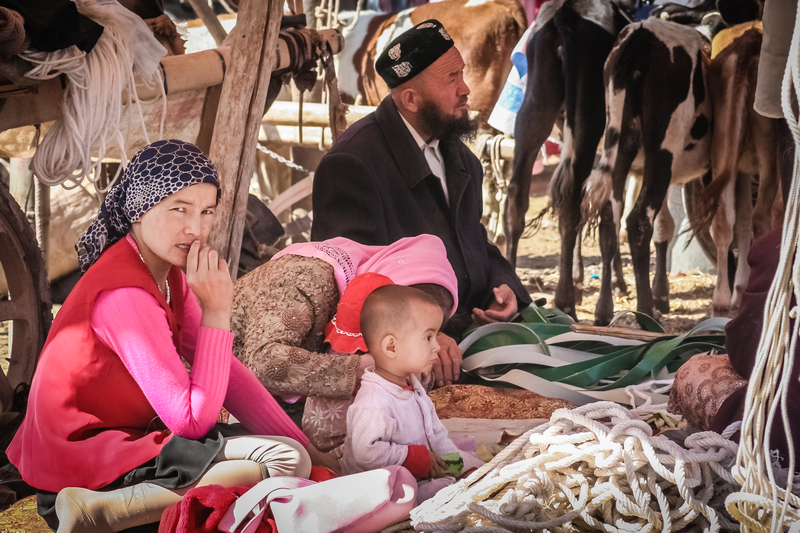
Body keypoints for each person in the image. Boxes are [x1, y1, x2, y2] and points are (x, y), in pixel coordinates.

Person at [7, 140, 327, 533]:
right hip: (82, 464)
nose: (196, 228)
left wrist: (312, 447)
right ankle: (99, 512)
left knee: (294, 455)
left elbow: (228, 375)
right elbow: (190, 421)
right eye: (179, 208)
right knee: (284, 462)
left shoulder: (167, 272)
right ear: (139, 210)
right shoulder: (125, 294)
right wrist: (217, 311)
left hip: (125, 443)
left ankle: (115, 508)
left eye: (207, 211)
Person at [310, 18, 531, 343]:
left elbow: (472, 240)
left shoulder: (460, 157)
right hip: (405, 356)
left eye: (462, 73)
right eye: (451, 79)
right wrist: (424, 336)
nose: (465, 89)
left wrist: (504, 287)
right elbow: (349, 284)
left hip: (473, 336)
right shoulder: (352, 165)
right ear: (411, 100)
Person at [230, 234, 460, 459]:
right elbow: (263, 363)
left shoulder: (372, 310)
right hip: (216, 401)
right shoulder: (306, 277)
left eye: (432, 333)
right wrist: (361, 366)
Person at [341, 284, 482, 502]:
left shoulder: (412, 385)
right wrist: (412, 457)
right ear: (391, 347)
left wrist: (457, 465)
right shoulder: (374, 402)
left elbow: (436, 433)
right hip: (379, 491)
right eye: (428, 337)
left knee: (475, 471)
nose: (436, 346)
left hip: (419, 473)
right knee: (451, 495)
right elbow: (365, 452)